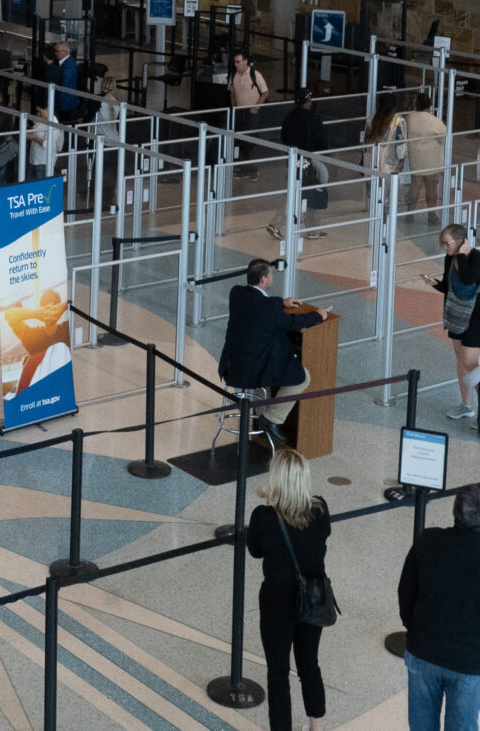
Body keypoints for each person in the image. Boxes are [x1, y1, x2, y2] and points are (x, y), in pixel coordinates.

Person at [399, 485, 480, 731]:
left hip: (424, 651)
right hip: (472, 662)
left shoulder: (427, 542)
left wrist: (414, 629)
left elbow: (405, 593)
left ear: (454, 513)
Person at [247, 447, 331, 731]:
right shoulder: (320, 510)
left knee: (278, 674)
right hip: (313, 600)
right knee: (310, 666)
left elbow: (255, 551)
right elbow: (323, 539)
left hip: (276, 604)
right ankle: (316, 727)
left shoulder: (263, 517)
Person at [218, 259, 326, 430]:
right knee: (303, 377)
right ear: (263, 279)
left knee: (267, 373)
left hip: (232, 366)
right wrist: (318, 315)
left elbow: (259, 304)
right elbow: (293, 321)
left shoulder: (236, 293)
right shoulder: (267, 308)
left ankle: (258, 420)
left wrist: (282, 302)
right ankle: (271, 419)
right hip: (251, 371)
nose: (272, 277)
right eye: (270, 275)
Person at [431, 225, 480, 419]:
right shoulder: (450, 258)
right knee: (460, 360)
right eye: (442, 243)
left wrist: (462, 255)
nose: (444, 247)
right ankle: (466, 405)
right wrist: (435, 284)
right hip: (456, 314)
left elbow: (468, 280)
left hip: (476, 316)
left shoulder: (479, 259)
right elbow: (451, 287)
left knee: (470, 361)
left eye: (447, 243)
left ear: (461, 241)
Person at [274, 90, 332, 240]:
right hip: (310, 160)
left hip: (294, 160)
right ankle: (311, 229)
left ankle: (277, 224)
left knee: (297, 191)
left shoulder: (289, 117)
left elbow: (284, 137)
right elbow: (322, 141)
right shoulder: (313, 119)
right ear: (307, 101)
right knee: (316, 188)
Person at [230, 52, 269, 133]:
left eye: (238, 62)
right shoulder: (233, 75)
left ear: (245, 61)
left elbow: (265, 93)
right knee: (238, 134)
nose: (235, 64)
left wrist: (256, 107)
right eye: (234, 62)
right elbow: (232, 93)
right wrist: (234, 108)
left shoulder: (256, 75)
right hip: (239, 111)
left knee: (251, 136)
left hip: (252, 112)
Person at [41, 40, 81, 119]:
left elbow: (64, 86)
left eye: (57, 51)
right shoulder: (65, 62)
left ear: (65, 51)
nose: (55, 53)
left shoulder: (68, 64)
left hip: (66, 104)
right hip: (66, 103)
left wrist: (57, 103)